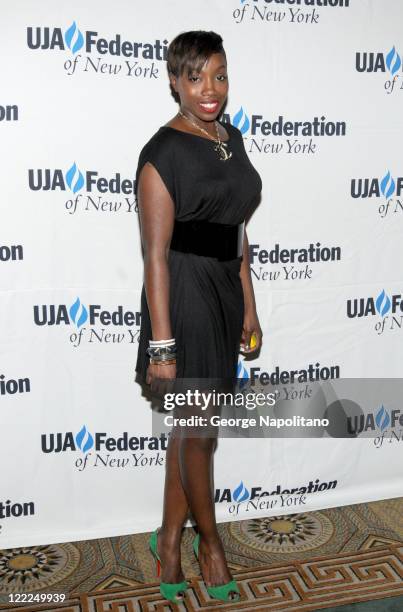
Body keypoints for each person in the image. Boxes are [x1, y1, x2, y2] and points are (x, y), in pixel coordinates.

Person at [134, 30, 263, 603]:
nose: (210, 89)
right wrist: (163, 347)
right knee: (199, 435)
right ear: (174, 82)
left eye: (220, 75)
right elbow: (154, 257)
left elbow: (238, 230)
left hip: (224, 291)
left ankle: (167, 542)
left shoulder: (229, 138)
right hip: (182, 297)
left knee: (191, 433)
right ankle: (209, 545)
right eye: (196, 77)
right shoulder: (161, 153)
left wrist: (249, 304)